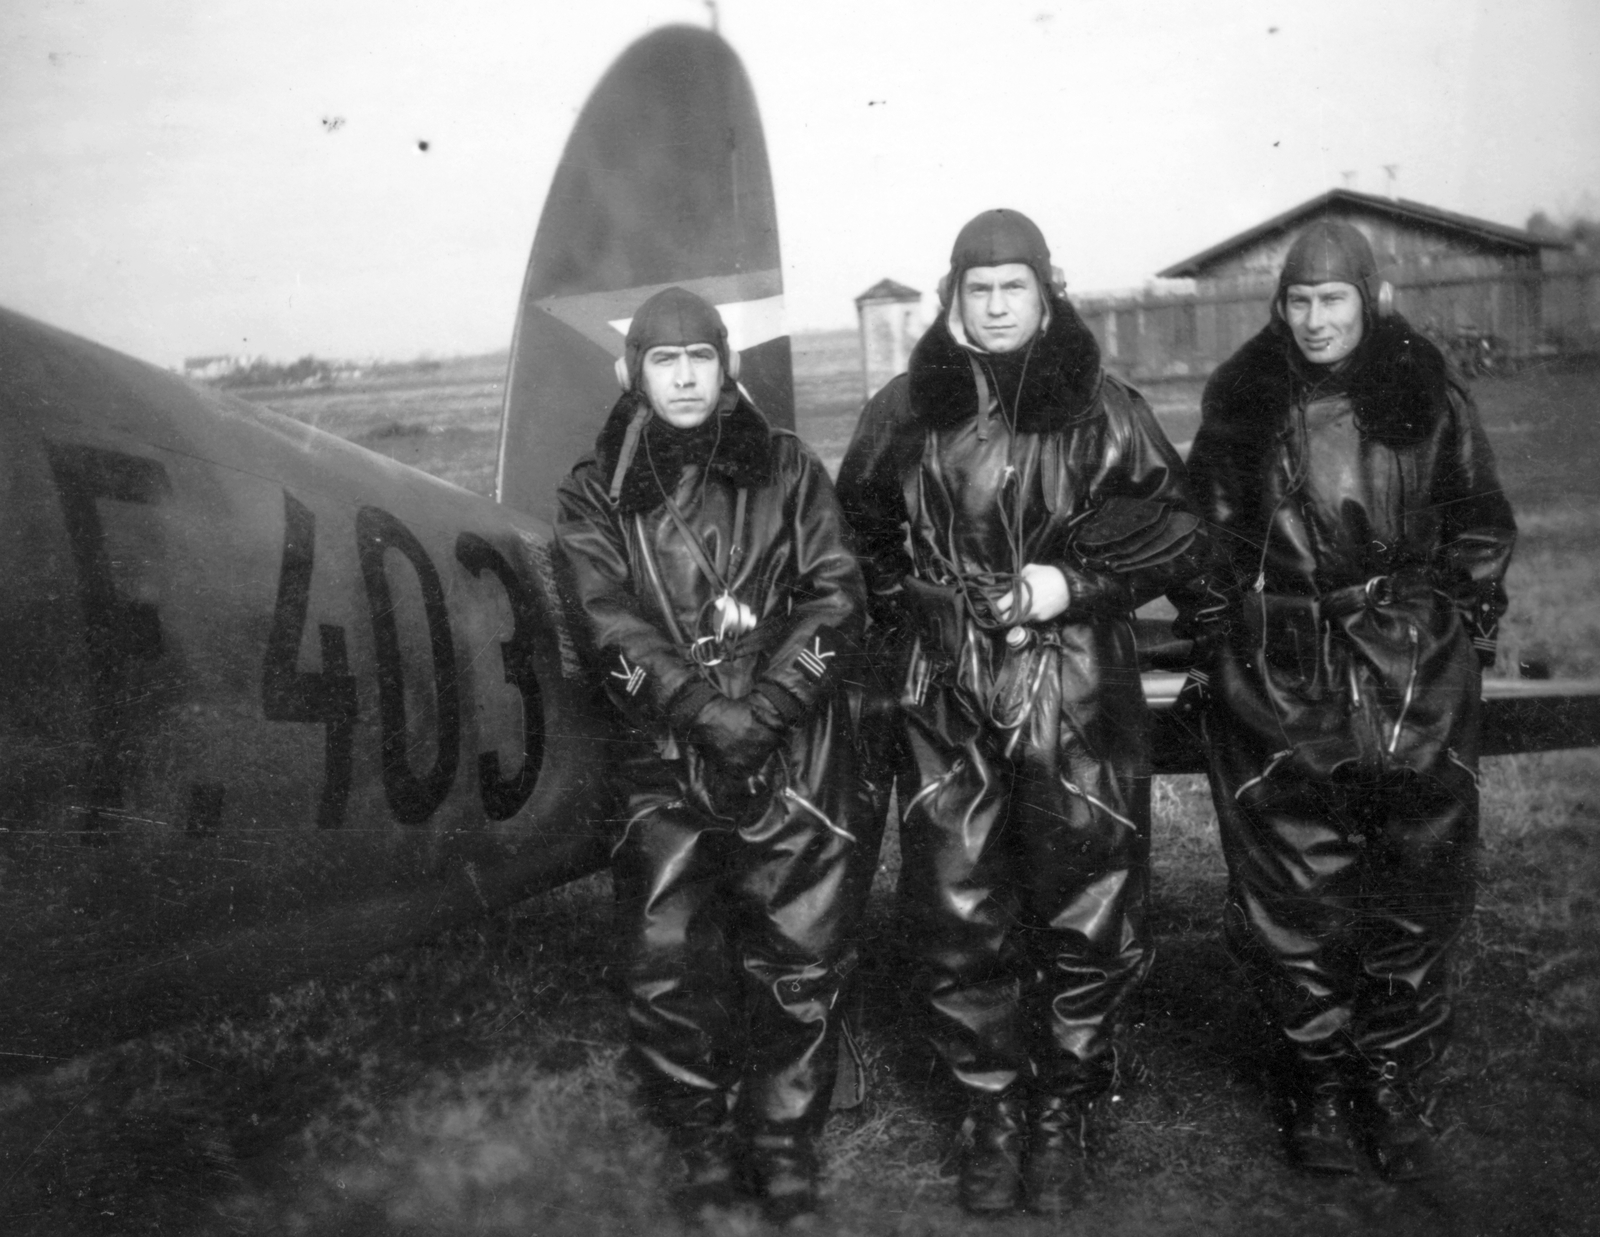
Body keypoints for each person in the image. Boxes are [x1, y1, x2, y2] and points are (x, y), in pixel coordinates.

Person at [836, 209, 1204, 1216]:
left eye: (1015, 288)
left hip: (1075, 683)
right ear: (953, 298)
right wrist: (913, 610)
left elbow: (1174, 528)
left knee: (1085, 894)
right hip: (941, 688)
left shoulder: (1102, 406)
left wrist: (1065, 583)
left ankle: (1064, 1110)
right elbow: (852, 541)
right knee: (957, 902)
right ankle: (989, 1110)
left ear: (1046, 294)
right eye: (978, 289)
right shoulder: (900, 413)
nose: (996, 307)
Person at [1175, 219, 1516, 1181]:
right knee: (1294, 886)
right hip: (1284, 665)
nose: (1315, 319)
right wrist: (1227, 636)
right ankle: (1317, 1082)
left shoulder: (1427, 397)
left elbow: (1479, 522)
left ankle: (1395, 1082)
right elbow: (1204, 537)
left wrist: (1452, 634)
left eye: (1332, 299)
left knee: (1419, 881)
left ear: (1370, 299)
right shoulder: (1245, 405)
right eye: (1298, 300)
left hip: (1411, 663)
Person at [555, 286, 874, 1223]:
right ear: (634, 373)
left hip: (794, 744)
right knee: (665, 956)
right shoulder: (595, 490)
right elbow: (603, 614)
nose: (687, 375)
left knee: (802, 953)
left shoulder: (787, 468)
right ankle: (698, 1142)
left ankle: (782, 1146)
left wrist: (768, 703)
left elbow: (836, 594)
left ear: (726, 364)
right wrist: (698, 706)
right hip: (666, 748)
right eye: (666, 359)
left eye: (702, 356)